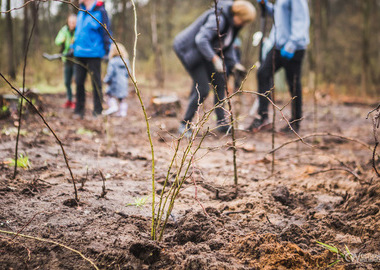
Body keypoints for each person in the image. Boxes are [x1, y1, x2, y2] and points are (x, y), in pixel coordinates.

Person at [173, 0, 256, 136]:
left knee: (220, 83)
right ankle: (184, 124)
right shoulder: (219, 19)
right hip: (190, 52)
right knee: (202, 89)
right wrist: (215, 59)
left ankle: (222, 123)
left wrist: (234, 63)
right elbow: (201, 39)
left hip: (205, 54)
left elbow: (225, 46)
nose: (244, 24)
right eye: (243, 20)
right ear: (237, 14)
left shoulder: (232, 26)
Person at [248, 0, 310, 133]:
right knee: (263, 73)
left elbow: (301, 19)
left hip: (293, 47)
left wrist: (292, 44)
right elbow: (280, 15)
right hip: (278, 45)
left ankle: (295, 121)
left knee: (293, 83)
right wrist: (267, 6)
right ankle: (263, 117)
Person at [72, 0, 111, 119]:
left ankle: (98, 111)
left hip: (94, 53)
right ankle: (79, 111)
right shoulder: (80, 10)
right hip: (79, 53)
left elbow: (106, 31)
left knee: (96, 83)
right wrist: (73, 47)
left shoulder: (100, 11)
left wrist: (106, 50)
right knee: (78, 82)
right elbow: (79, 31)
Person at [55, 14, 76, 109]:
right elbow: (57, 40)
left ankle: (76, 101)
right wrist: (62, 40)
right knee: (67, 82)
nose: (72, 24)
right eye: (70, 22)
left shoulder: (78, 30)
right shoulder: (64, 30)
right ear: (67, 22)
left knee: (77, 81)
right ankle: (69, 100)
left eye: (74, 22)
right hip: (67, 59)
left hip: (76, 59)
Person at [103, 43, 130, 117]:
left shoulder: (112, 61)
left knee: (109, 95)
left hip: (114, 82)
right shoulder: (126, 61)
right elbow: (129, 72)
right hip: (123, 82)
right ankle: (122, 112)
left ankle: (113, 106)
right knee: (122, 98)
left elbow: (110, 73)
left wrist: (106, 80)